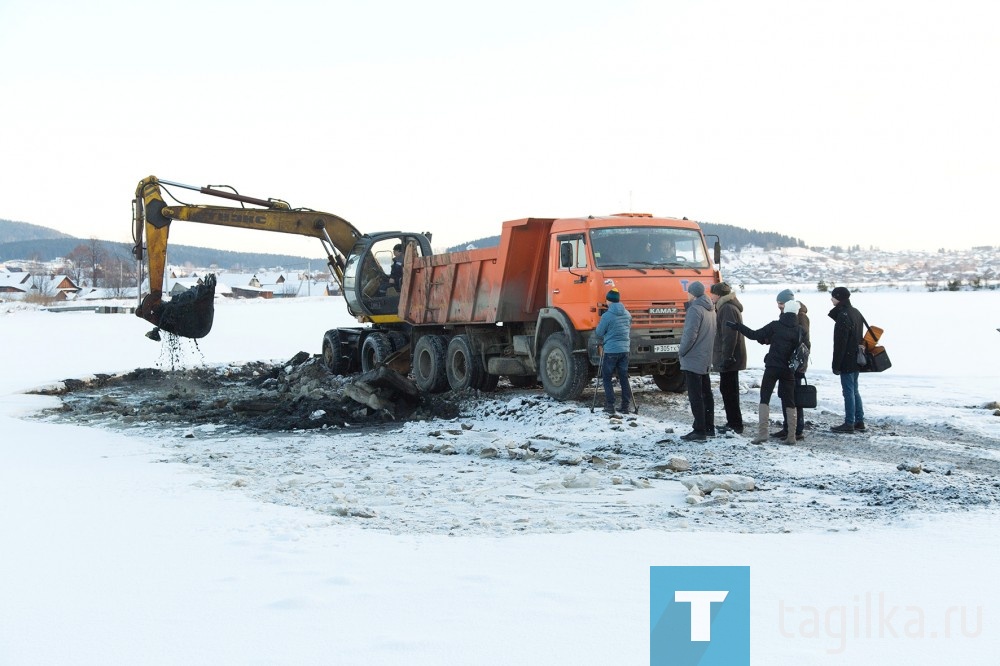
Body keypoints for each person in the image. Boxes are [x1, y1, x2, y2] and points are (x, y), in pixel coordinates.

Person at [726, 297, 803, 445]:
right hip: (789, 370)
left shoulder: (775, 326)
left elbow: (754, 335)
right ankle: (791, 436)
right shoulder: (800, 330)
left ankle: (762, 434)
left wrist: (737, 326)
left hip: (773, 367)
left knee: (765, 398)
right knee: (790, 401)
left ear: (785, 311)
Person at [678, 281, 716, 441]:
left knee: (695, 395)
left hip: (693, 357)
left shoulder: (695, 309)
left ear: (692, 293)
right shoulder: (711, 309)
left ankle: (699, 430)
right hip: (705, 355)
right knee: (706, 393)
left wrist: (681, 351)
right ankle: (709, 427)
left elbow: (690, 335)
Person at [771, 292, 810, 441]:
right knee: (786, 395)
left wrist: (799, 363)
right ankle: (788, 427)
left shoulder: (800, 317)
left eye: (781, 303)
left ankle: (796, 429)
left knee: (794, 397)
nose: (778, 306)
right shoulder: (787, 314)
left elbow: (804, 341)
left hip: (795, 364)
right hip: (785, 362)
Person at [709, 282, 746, 434]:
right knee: (728, 390)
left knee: (729, 390)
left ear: (718, 294)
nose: (711, 296)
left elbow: (729, 336)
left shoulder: (727, 308)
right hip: (730, 357)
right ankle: (733, 422)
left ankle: (735, 424)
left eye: (712, 293)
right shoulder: (726, 307)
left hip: (730, 358)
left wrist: (727, 357)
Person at [829, 286, 866, 433]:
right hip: (856, 357)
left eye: (833, 297)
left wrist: (836, 365)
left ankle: (849, 423)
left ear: (839, 298)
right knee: (854, 390)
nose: (831, 299)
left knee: (848, 391)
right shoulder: (855, 312)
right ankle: (859, 421)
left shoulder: (843, 315)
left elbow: (840, 343)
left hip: (847, 359)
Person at [595, 288, 634, 415]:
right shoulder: (627, 314)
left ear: (609, 300)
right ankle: (625, 406)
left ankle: (610, 405)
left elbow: (599, 332)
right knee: (623, 377)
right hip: (625, 350)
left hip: (611, 350)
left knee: (606, 377)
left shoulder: (607, 316)